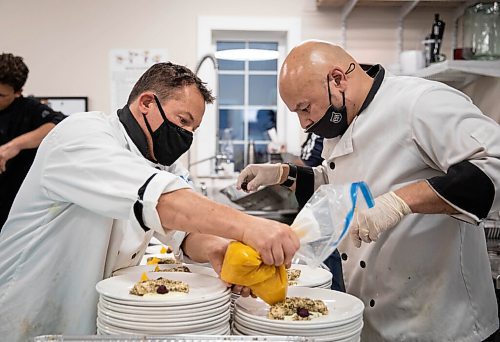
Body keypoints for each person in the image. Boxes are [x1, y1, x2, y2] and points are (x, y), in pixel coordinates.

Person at [0, 62, 300, 341]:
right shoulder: (81, 134)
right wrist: (248, 227)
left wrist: (216, 249)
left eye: (192, 130)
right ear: (146, 103)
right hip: (30, 313)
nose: (185, 136)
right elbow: (163, 202)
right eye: (182, 121)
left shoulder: (159, 163)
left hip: (93, 314)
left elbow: (184, 231)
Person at [237, 40, 500, 341]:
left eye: (305, 108)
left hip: (441, 320)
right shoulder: (345, 118)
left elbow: (494, 165)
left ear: (338, 80)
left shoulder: (419, 102)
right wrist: (283, 174)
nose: (305, 123)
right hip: (372, 315)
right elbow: (338, 185)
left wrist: (400, 202)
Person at [0, 53, 66, 229]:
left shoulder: (29, 109)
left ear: (18, 93)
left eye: (1, 95)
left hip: (16, 205)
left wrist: (14, 145)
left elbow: (59, 124)